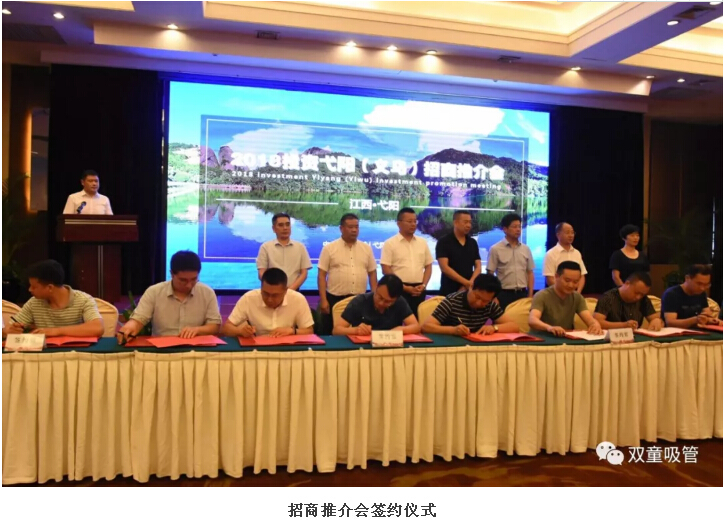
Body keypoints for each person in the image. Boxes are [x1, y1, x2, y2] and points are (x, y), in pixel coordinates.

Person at [117, 250, 221, 341]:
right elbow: (139, 319)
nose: (189, 285)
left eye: (194, 279)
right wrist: (129, 328)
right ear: (172, 274)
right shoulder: (154, 292)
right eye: (183, 280)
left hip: (195, 348)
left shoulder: (207, 293)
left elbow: (215, 326)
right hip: (161, 349)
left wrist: (197, 330)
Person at [2, 259, 104, 338]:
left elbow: (97, 328)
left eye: (34, 287)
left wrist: (56, 331)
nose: (29, 290)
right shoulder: (34, 302)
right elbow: (8, 328)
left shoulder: (83, 300)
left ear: (50, 287)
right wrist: (10, 330)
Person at [317, 213, 377, 334]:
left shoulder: (366, 248)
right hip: (335, 298)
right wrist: (323, 300)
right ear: (341, 228)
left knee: (359, 332)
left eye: (356, 227)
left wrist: (375, 296)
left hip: (359, 299)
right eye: (350, 227)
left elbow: (372, 273)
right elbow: (322, 275)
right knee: (331, 332)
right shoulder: (329, 248)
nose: (354, 230)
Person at [222, 268, 315, 338]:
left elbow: (309, 331)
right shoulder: (249, 298)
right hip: (258, 347)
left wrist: (292, 331)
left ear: (285, 291)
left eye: (275, 295)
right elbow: (226, 328)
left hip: (287, 347)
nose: (269, 299)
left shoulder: (298, 299)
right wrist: (239, 331)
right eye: (265, 293)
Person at [422, 273, 520, 336]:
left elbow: (514, 326)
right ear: (471, 287)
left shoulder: (490, 305)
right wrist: (453, 330)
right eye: (477, 297)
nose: (479, 303)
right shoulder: (452, 301)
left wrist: (494, 328)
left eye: (485, 301)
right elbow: (426, 326)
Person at [381, 208, 433, 317]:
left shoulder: (422, 242)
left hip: (419, 289)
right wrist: (404, 287)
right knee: (395, 320)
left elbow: (428, 266)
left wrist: (424, 285)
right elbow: (386, 269)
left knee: (417, 320)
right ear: (399, 223)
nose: (413, 224)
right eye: (409, 221)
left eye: (415, 221)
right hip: (397, 289)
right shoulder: (390, 243)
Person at [528, 261, 602, 337]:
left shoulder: (577, 297)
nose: (571, 285)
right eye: (567, 280)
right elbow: (532, 320)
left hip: (565, 338)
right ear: (556, 276)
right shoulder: (542, 295)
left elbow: (590, 320)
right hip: (541, 338)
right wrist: (549, 328)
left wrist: (595, 324)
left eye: (575, 282)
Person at [333, 274, 420, 335]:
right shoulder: (359, 301)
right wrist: (356, 330)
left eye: (388, 302)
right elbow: (336, 330)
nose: (381, 303)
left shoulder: (400, 302)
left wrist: (401, 330)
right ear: (377, 286)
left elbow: (416, 327)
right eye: (380, 297)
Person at [486, 213, 535, 309]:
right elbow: (490, 275)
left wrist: (530, 295)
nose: (518, 229)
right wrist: (493, 296)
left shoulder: (526, 249)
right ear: (505, 229)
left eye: (519, 226)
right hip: (503, 294)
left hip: (522, 294)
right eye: (514, 227)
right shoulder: (495, 249)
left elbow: (530, 273)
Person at [256, 212, 312, 291]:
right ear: (274, 228)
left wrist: (290, 291)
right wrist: (274, 288)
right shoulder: (265, 247)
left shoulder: (300, 247)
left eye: (287, 224)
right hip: (272, 292)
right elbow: (261, 273)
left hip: (294, 292)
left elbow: (304, 274)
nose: (285, 228)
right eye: (281, 225)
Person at [594, 272, 663, 331]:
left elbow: (656, 318)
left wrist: (656, 321)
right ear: (627, 283)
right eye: (636, 293)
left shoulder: (644, 299)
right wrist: (623, 325)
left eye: (642, 294)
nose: (638, 297)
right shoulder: (608, 298)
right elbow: (597, 322)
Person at [435, 210, 481, 296]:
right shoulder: (444, 242)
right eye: (465, 222)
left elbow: (478, 266)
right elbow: (444, 267)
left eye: (470, 222)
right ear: (455, 223)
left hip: (469, 290)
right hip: (449, 290)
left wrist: (470, 283)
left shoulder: (472, 242)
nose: (468, 225)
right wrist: (465, 283)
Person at [661, 264, 722, 328]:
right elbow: (670, 323)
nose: (702, 288)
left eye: (706, 284)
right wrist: (695, 320)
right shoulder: (672, 294)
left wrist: (710, 319)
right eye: (699, 284)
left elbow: (706, 313)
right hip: (674, 331)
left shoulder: (701, 293)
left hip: (697, 330)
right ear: (687, 278)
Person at [543, 222, 587, 293]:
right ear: (558, 235)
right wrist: (564, 292)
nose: (571, 235)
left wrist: (577, 293)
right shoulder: (550, 254)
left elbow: (582, 275)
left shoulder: (577, 253)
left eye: (572, 233)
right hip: (556, 294)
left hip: (574, 295)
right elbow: (550, 278)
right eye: (567, 232)